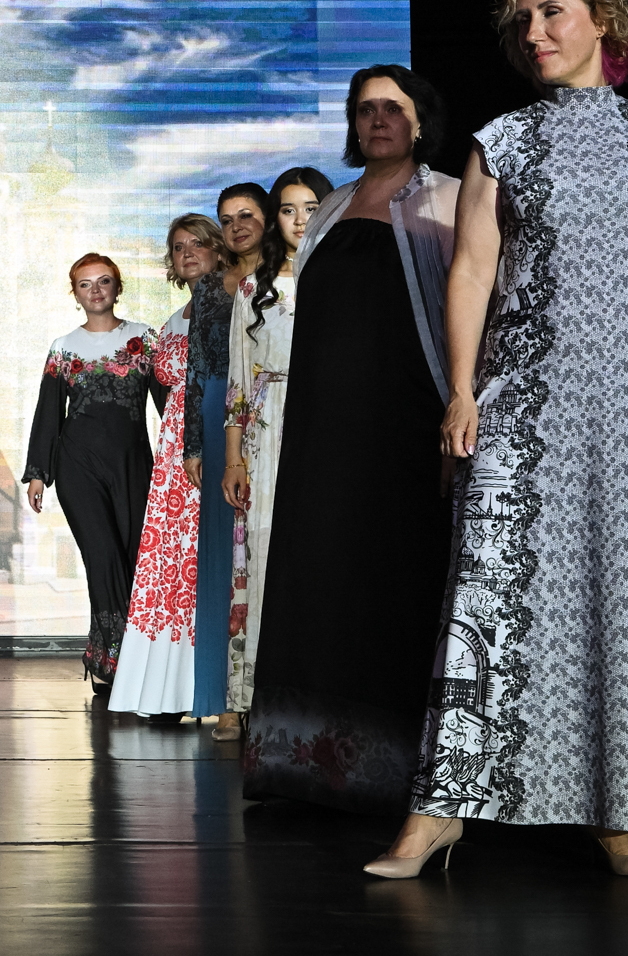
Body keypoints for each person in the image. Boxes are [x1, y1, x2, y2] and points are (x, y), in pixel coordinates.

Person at [372, 0, 628, 879]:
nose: (533, 33)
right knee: (490, 594)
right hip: (529, 400)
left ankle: (620, 811)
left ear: (602, 19)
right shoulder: (503, 140)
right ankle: (440, 810)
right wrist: (462, 389)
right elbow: (471, 271)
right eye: (522, 20)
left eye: (551, 13)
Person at [243, 64, 458, 816]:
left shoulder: (448, 197)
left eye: (393, 107)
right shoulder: (332, 205)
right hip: (322, 430)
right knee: (318, 579)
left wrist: (457, 413)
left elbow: (469, 312)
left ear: (421, 119)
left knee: (392, 580)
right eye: (365, 109)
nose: (378, 120)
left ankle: (398, 774)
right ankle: (304, 765)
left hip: (405, 424)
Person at [217, 166, 333, 740]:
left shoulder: (344, 279)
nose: (300, 219)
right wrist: (234, 459)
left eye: (311, 207)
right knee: (260, 557)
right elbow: (239, 382)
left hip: (329, 428)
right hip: (267, 432)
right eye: (288, 209)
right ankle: (245, 698)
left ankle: (320, 698)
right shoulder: (252, 291)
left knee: (322, 556)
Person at [23, 254, 168, 686]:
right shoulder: (64, 347)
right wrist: (38, 473)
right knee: (102, 558)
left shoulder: (144, 339)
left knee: (135, 558)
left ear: (117, 287)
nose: (96, 290)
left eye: (104, 281)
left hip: (134, 466)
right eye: (85, 284)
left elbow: (169, 404)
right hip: (78, 468)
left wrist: (189, 455)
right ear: (75, 294)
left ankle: (118, 654)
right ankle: (118, 663)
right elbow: (49, 412)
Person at [109, 215, 226, 716]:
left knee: (209, 553)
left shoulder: (234, 303)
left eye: (198, 243)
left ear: (219, 250)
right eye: (179, 247)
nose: (188, 253)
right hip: (175, 449)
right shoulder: (174, 320)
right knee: (171, 561)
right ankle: (168, 690)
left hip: (216, 434)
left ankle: (217, 688)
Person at [180, 186, 267, 721]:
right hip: (217, 409)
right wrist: (193, 443)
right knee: (221, 551)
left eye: (247, 215)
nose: (236, 225)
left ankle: (270, 693)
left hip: (273, 402)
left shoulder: (288, 276)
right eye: (226, 218)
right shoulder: (211, 286)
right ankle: (224, 699)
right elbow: (195, 365)